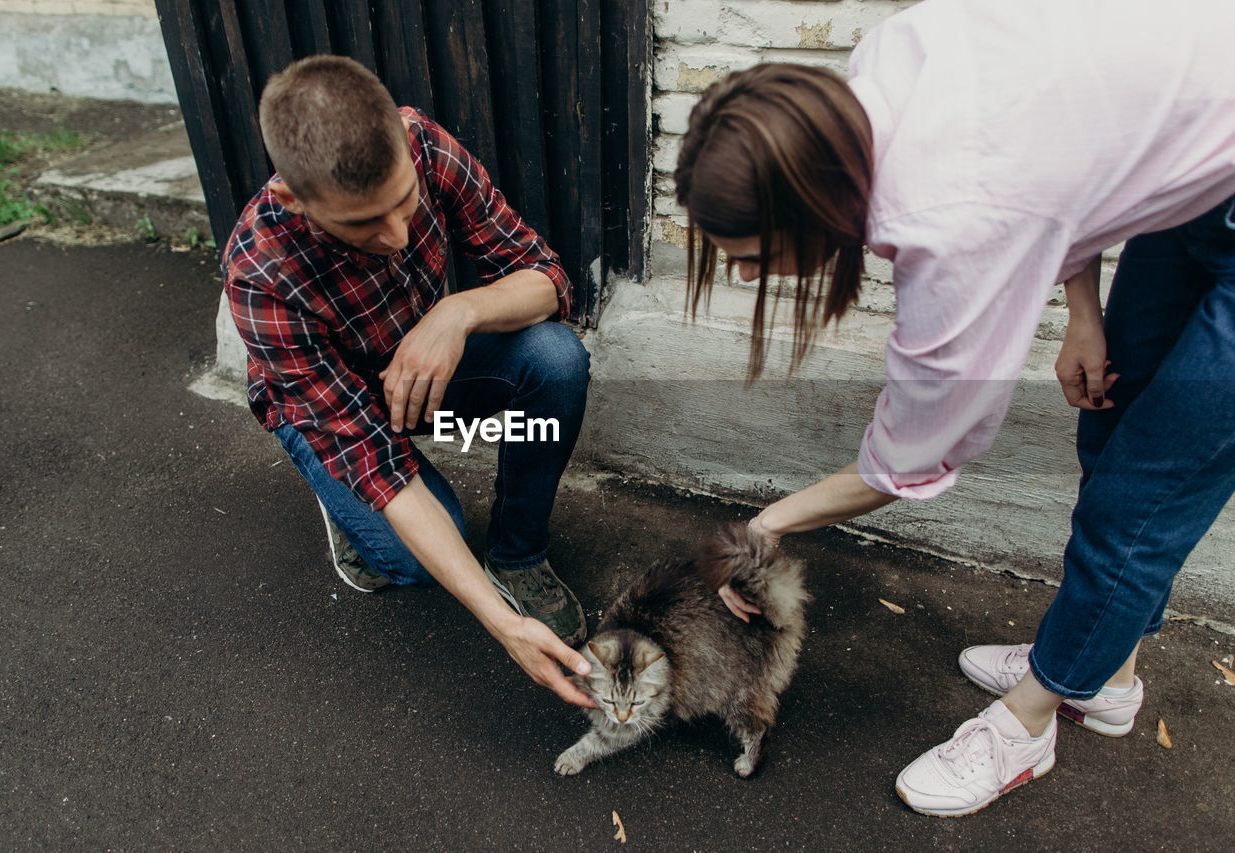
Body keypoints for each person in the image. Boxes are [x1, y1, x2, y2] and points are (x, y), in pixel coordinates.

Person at [674, 0, 1235, 817]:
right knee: (1111, 426)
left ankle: (1029, 724)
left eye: (756, 258)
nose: (755, 282)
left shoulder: (949, 217)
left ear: (810, 200)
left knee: (1139, 504)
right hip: (1201, 191)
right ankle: (1104, 674)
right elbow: (1068, 145)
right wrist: (1084, 309)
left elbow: (912, 452)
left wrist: (772, 521)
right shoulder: (883, 67)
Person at [223, 55, 596, 709]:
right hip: (332, 409)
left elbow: (548, 277)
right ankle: (343, 508)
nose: (396, 234)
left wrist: (458, 311)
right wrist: (503, 625)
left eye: (405, 202)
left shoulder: (422, 142)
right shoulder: (260, 272)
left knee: (556, 358)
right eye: (364, 223)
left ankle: (518, 556)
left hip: (419, 366)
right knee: (414, 563)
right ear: (291, 197)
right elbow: (377, 463)